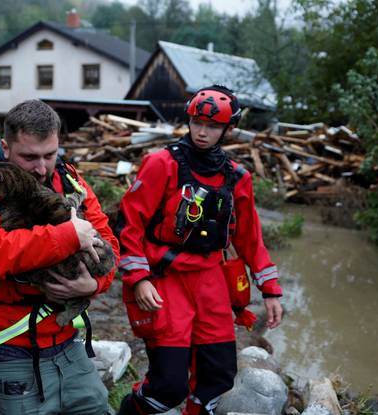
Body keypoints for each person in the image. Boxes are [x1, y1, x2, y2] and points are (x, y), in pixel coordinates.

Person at [115, 85, 283, 415]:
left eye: (213, 126)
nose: (202, 132)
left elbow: (250, 240)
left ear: (227, 129)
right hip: (166, 278)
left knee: (218, 378)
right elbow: (128, 225)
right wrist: (138, 278)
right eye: (197, 123)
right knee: (168, 386)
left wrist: (271, 290)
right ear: (189, 120)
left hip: (211, 281)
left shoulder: (237, 177)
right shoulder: (161, 163)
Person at [0, 99, 120, 414]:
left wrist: (93, 287)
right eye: (29, 157)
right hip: (10, 349)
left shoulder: (71, 181)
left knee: (97, 406)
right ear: (5, 147)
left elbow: (110, 242)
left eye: (50, 155)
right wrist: (69, 236)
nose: (42, 168)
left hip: (68, 343)